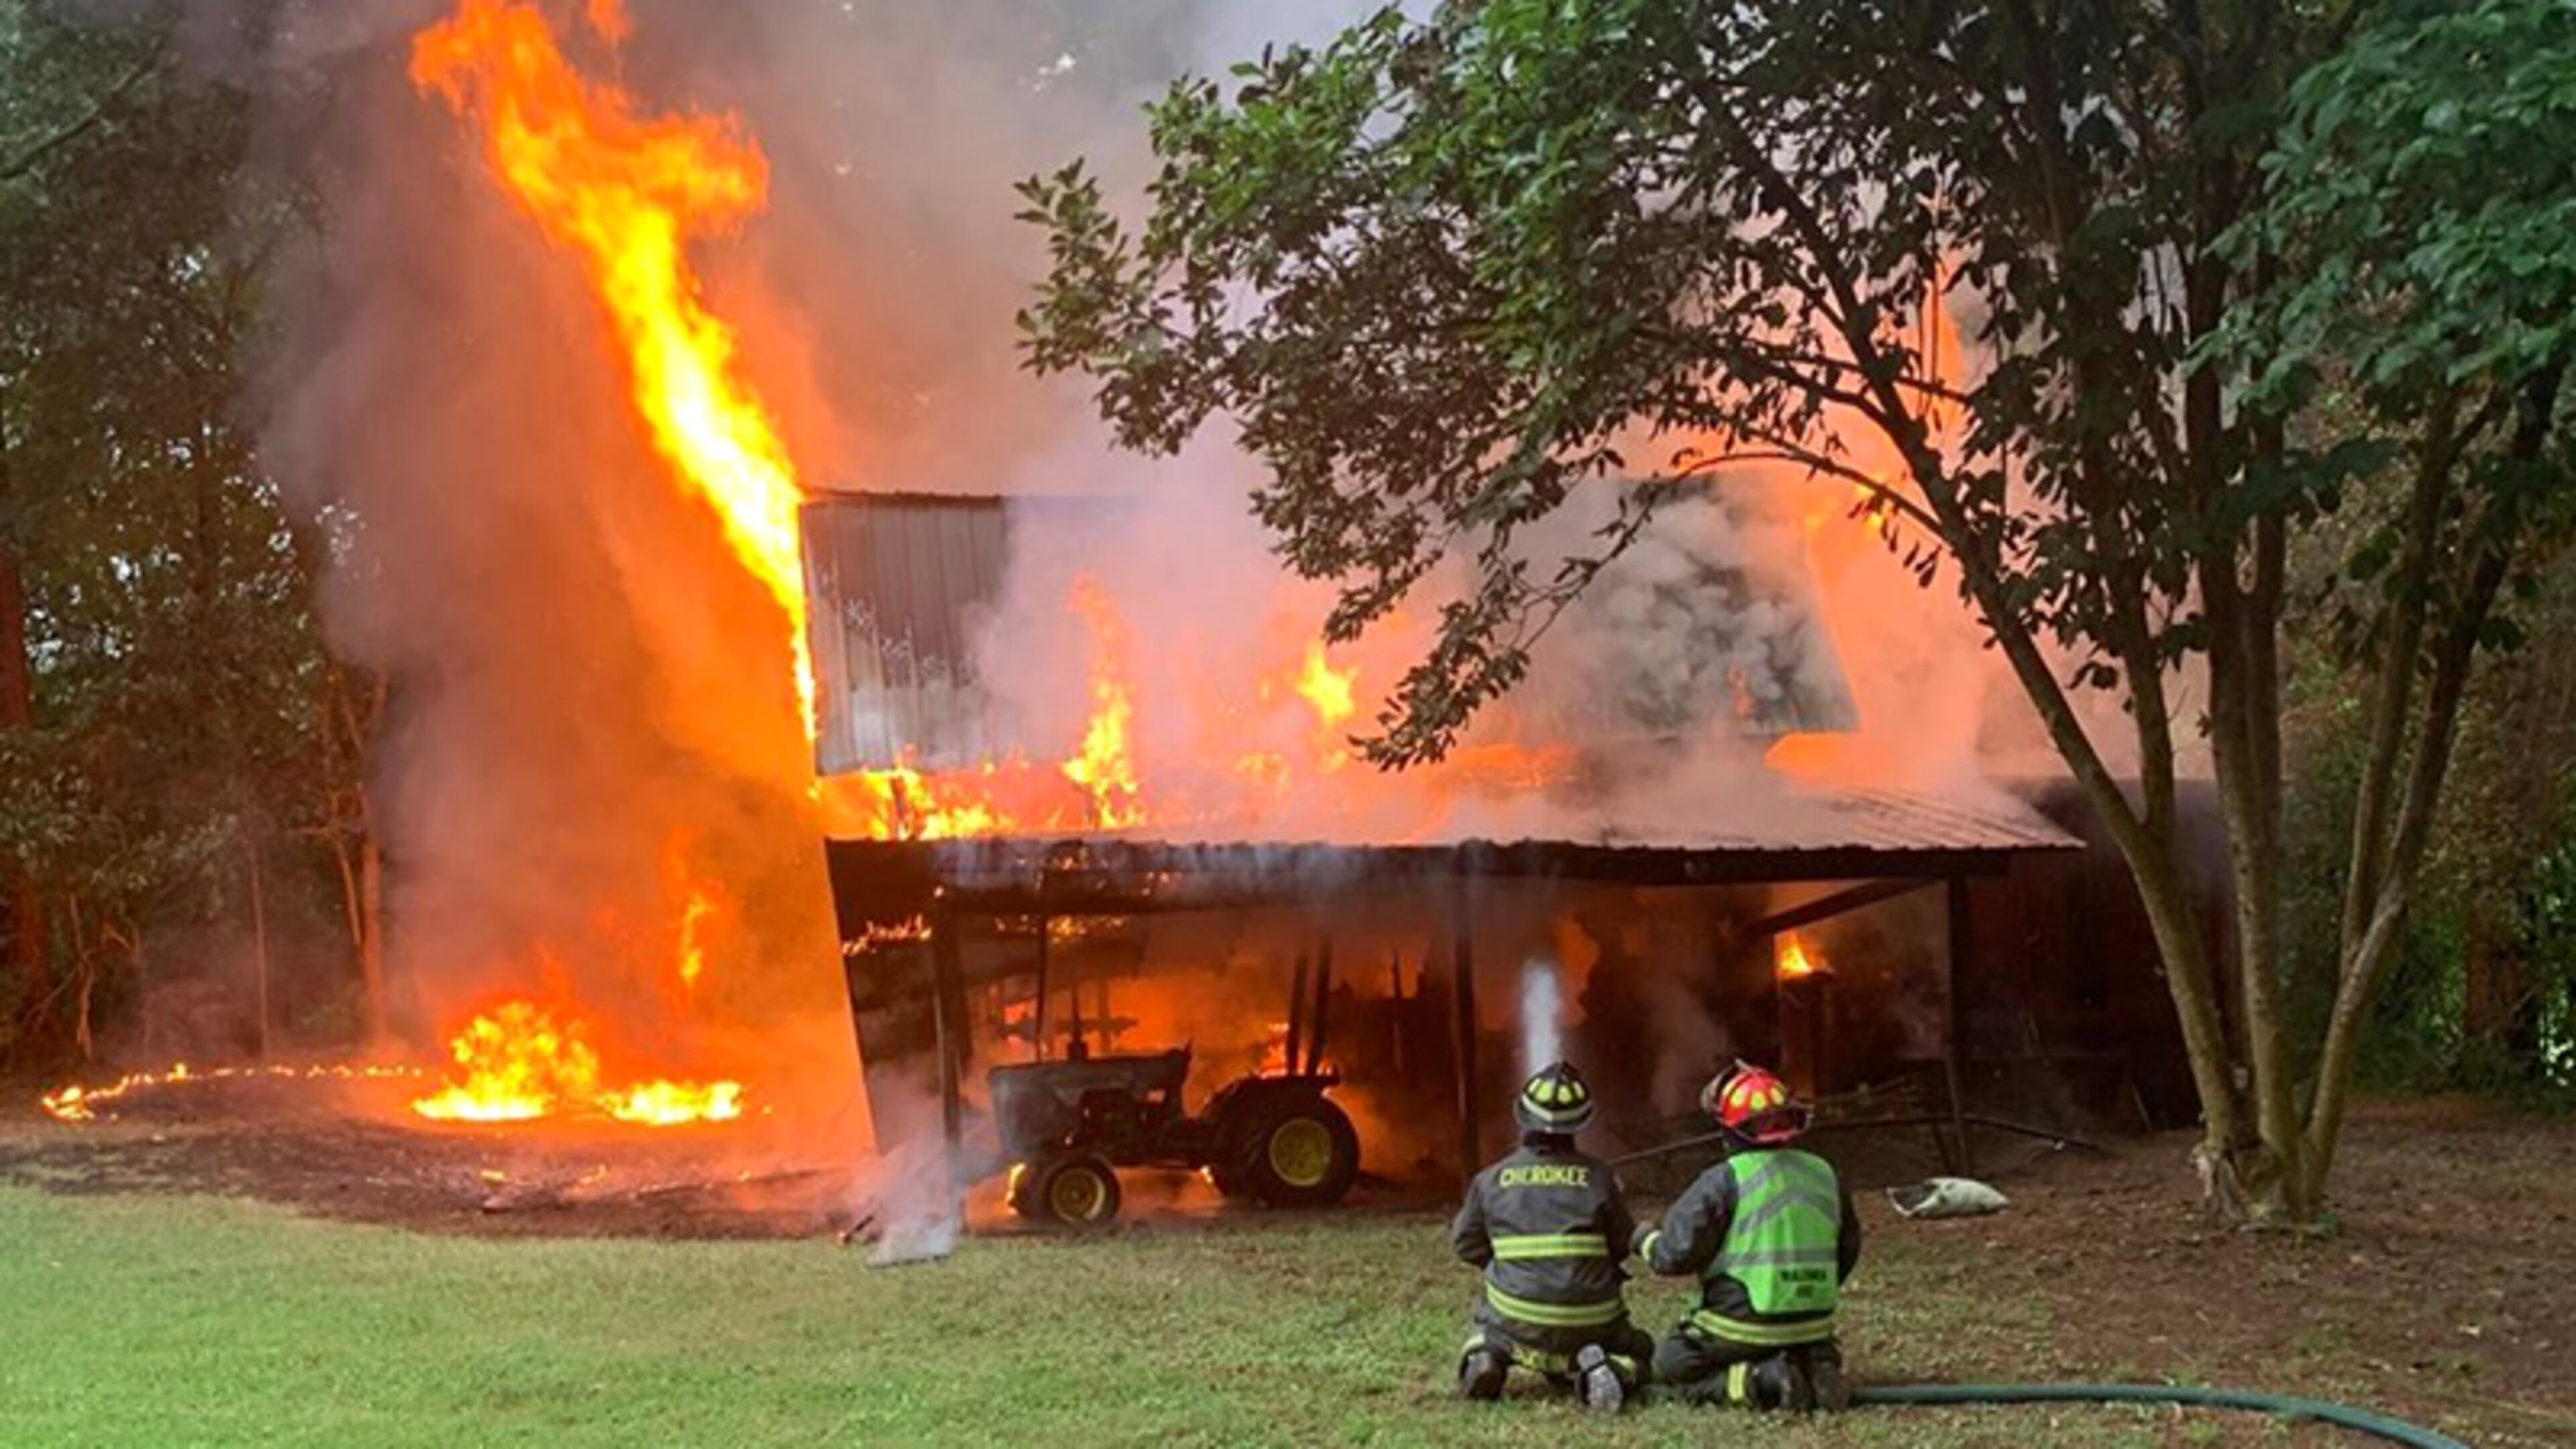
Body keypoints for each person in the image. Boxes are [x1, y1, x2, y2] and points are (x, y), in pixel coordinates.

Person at [1635, 1061, 1861, 1411]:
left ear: (1731, 1130)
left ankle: (1762, 1381)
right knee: (1807, 1345)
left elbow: (1673, 1256)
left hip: (1742, 1329)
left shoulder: (1723, 1181)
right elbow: (1847, 1249)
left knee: (1673, 1362)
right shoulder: (1825, 1174)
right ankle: (1816, 1367)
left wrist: (1643, 1239)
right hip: (1813, 1328)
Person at [1448, 1061, 1653, 1411]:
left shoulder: (1491, 1180)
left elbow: (1465, 1244)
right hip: (1594, 1323)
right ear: (1580, 1123)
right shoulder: (1600, 1177)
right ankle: (1612, 1370)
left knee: (1488, 1324)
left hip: (1516, 1320)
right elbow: (1621, 1245)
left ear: (1522, 1118)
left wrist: (1514, 1267)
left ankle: (1486, 1357)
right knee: (1641, 1350)